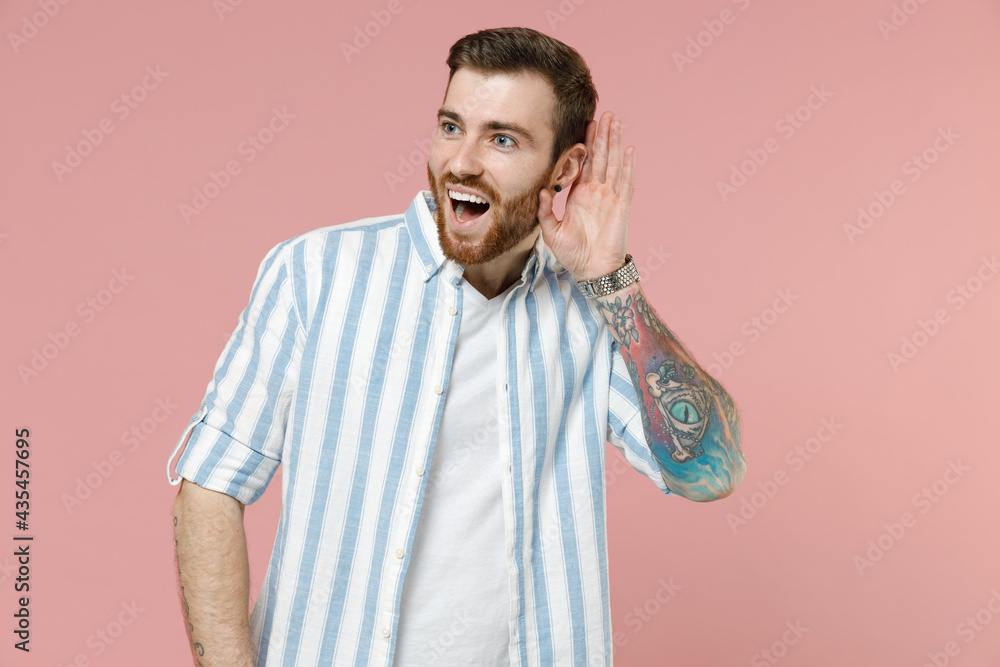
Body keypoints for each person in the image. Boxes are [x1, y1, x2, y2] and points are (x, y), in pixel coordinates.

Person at [165, 26, 745, 667]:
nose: (462, 162)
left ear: (565, 169)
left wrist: (612, 281)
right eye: (451, 127)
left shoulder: (589, 312)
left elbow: (710, 472)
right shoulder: (314, 275)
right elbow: (211, 486)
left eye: (502, 139)